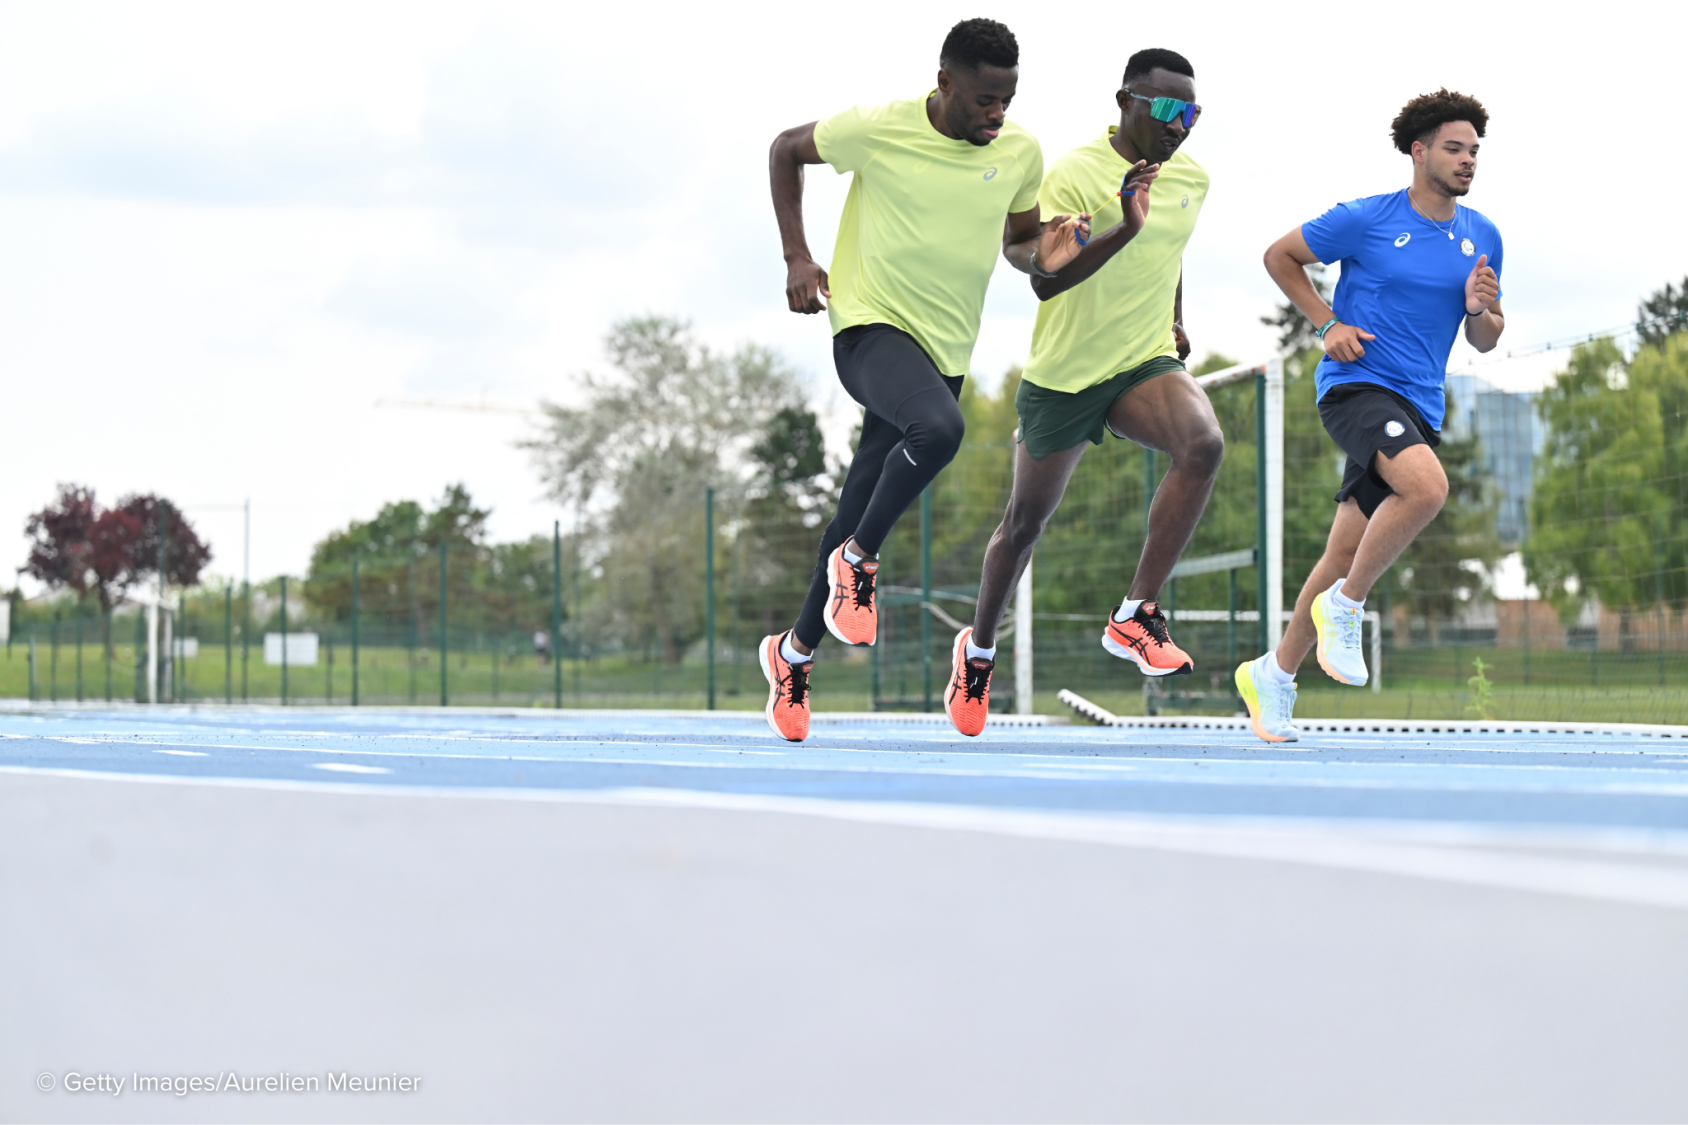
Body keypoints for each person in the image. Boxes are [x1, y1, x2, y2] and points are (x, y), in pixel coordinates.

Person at [759, 18, 1086, 742]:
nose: (995, 114)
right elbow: (786, 149)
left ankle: (794, 653)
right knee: (939, 431)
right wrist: (796, 257)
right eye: (982, 100)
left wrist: (1049, 251)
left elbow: (1019, 243)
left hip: (944, 353)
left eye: (1007, 99)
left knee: (858, 501)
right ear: (946, 84)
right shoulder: (879, 128)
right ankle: (860, 561)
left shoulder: (1019, 151)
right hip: (868, 328)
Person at [943, 48, 1221, 736]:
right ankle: (977, 651)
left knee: (1203, 443)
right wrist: (1123, 226)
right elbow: (1046, 278)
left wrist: (1176, 316)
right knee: (1023, 524)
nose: (1179, 125)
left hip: (1142, 362)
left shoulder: (1193, 178)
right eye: (1166, 109)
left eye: (1191, 113)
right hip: (1066, 374)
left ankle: (1136, 614)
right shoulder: (1072, 174)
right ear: (1125, 101)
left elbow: (1171, 247)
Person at [1241, 89, 1504, 743]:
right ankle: (1349, 604)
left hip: (1419, 404)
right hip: (1356, 387)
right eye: (1454, 148)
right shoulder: (1365, 218)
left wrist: (1479, 308)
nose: (1468, 159)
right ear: (1418, 152)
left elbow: (1486, 338)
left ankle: (1272, 675)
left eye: (1474, 150)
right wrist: (1326, 322)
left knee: (1344, 549)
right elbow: (1280, 255)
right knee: (1428, 487)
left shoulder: (1483, 235)